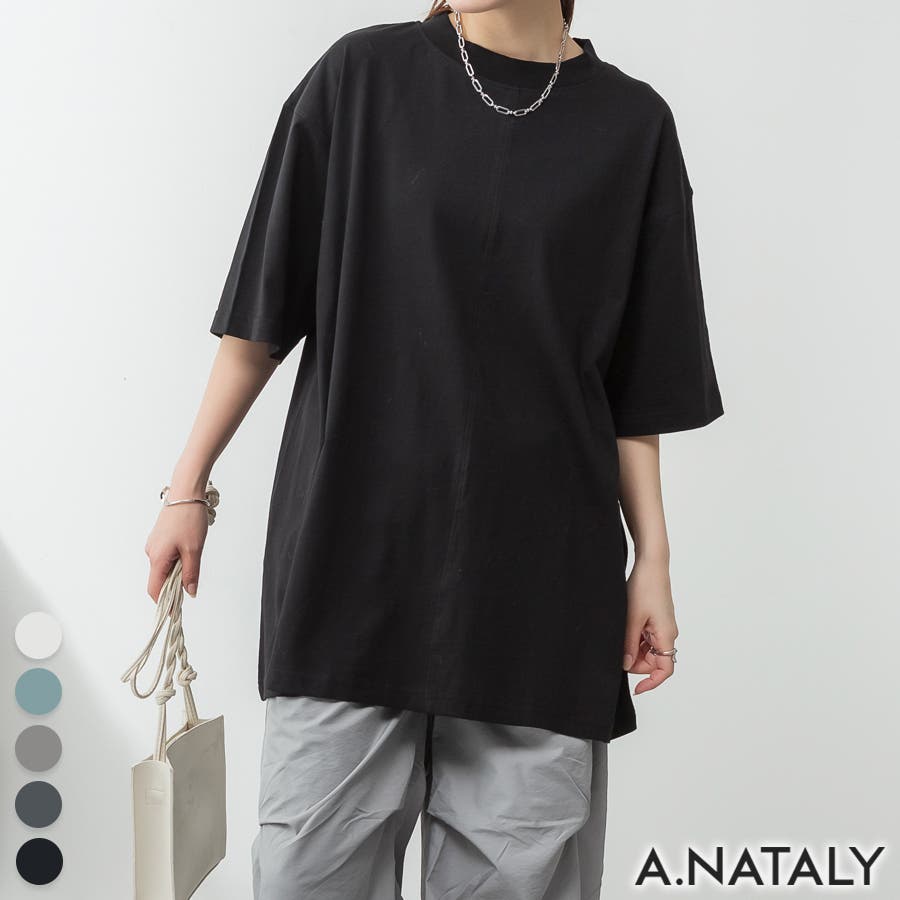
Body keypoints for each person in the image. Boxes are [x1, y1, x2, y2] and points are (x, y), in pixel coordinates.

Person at [144, 1, 724, 897]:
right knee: (306, 875)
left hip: (542, 597)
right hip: (349, 574)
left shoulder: (633, 125)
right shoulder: (359, 79)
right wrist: (188, 486)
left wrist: (653, 558)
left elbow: (633, 384)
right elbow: (262, 316)